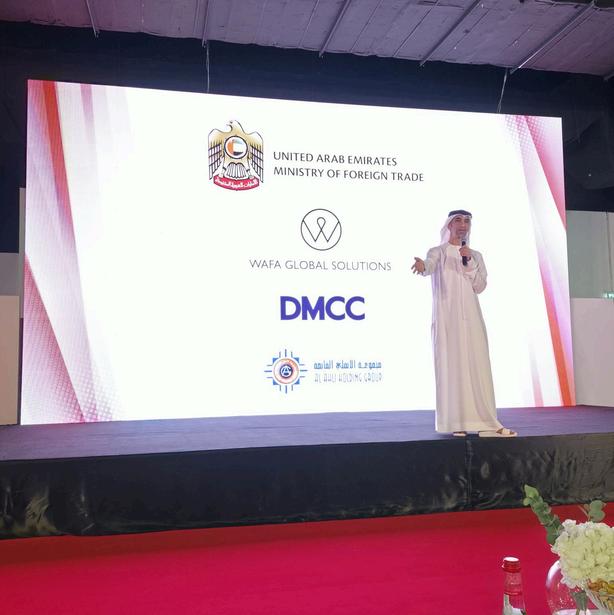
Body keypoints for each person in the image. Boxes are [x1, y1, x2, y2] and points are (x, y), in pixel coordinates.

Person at [411, 210, 517, 437]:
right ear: (449, 225)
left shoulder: (475, 255)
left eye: (467, 221)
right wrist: (422, 267)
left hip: (472, 318)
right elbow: (429, 266)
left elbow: (480, 286)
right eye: (458, 220)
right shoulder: (438, 252)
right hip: (447, 319)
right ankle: (455, 422)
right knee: (451, 367)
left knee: (478, 365)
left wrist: (468, 263)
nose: (463, 224)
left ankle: (485, 421)